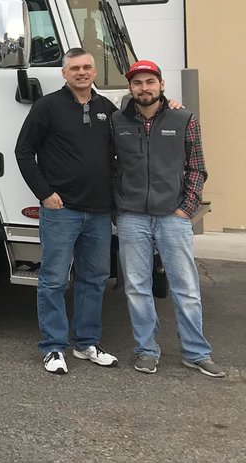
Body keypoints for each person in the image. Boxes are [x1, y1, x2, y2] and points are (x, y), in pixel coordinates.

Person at [111, 59, 224, 377]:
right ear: (130, 88)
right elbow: (110, 167)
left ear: (161, 84)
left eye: (149, 81)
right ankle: (146, 350)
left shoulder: (184, 117)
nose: (143, 88)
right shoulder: (118, 121)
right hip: (132, 216)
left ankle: (196, 352)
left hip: (172, 216)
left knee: (186, 287)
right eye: (137, 83)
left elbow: (196, 167)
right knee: (136, 287)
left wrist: (185, 209)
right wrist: (118, 206)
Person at [15, 48, 119, 375]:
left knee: (94, 279)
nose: (82, 72)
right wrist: (44, 194)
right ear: (64, 73)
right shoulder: (47, 107)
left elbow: (131, 140)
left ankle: (87, 344)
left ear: (94, 72)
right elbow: (23, 151)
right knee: (54, 280)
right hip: (62, 211)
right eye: (75, 68)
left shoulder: (107, 109)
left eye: (87, 67)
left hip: (99, 212)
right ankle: (53, 347)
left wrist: (170, 105)